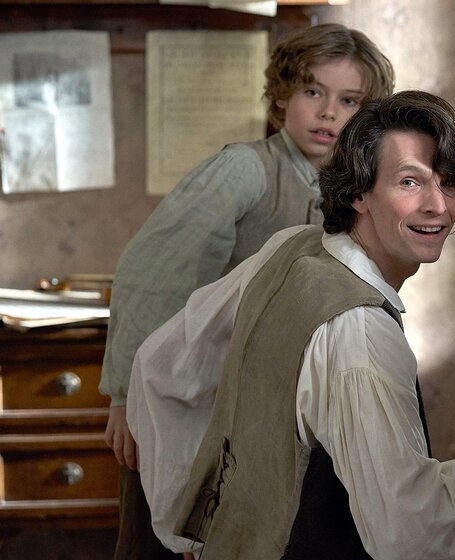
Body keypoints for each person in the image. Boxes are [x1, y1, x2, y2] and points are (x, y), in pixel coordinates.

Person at [126, 90, 455, 559]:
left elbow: (159, 365)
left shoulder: (288, 249)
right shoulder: (358, 331)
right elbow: (411, 530)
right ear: (359, 193)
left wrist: (193, 533)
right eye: (409, 182)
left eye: (448, 184)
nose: (437, 206)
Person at [99, 23, 394, 559]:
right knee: (159, 539)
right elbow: (152, 276)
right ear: (282, 97)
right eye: (313, 92)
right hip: (190, 397)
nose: (329, 113)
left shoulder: (357, 191)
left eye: (349, 101)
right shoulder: (245, 169)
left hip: (268, 411)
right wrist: (125, 395)